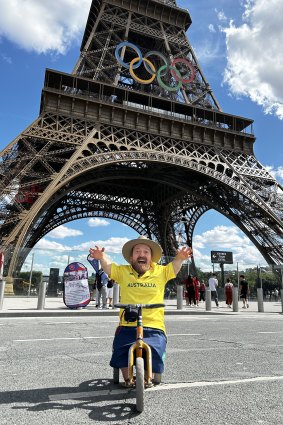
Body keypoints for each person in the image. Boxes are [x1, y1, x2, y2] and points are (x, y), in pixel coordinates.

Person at [89, 235, 193, 387]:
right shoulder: (123, 271)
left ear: (151, 258)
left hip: (154, 324)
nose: (142, 254)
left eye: (146, 252)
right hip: (128, 323)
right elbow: (109, 267)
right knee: (121, 348)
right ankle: (127, 379)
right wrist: (101, 256)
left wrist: (180, 258)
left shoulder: (160, 271)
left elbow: (174, 268)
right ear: (131, 257)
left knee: (156, 349)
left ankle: (148, 375)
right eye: (137, 251)